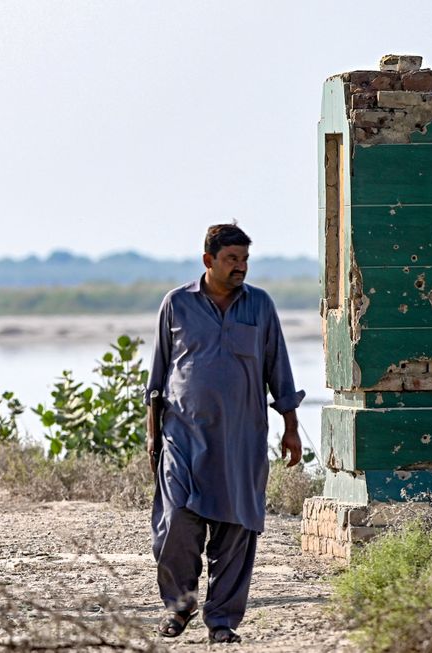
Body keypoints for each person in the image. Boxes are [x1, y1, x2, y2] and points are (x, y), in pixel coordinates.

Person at [145, 222, 304, 644]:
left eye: (245, 259)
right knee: (177, 518)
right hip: (183, 438)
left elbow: (278, 369)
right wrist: (151, 434)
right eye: (232, 259)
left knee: (236, 531)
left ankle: (222, 623)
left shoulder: (260, 306)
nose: (241, 267)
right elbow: (158, 376)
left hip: (241, 442)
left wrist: (291, 428)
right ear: (208, 261)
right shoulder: (176, 304)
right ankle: (179, 607)